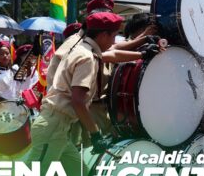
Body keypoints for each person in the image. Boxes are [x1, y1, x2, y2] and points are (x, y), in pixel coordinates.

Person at [24, 12, 153, 174]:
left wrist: (143, 54)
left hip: (58, 127)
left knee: (81, 172)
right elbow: (78, 101)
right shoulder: (86, 58)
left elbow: (113, 54)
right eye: (113, 36)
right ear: (103, 35)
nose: (114, 41)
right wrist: (95, 134)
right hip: (53, 126)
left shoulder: (83, 48)